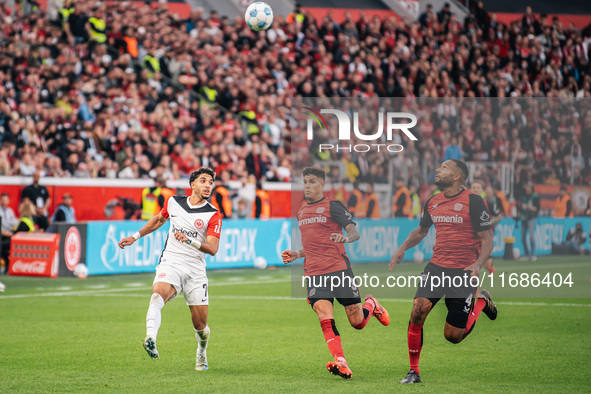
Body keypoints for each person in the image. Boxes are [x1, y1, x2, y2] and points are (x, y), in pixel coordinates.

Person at [390, 160, 497, 384]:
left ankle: (481, 302)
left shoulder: (474, 201)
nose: (438, 170)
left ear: (457, 176)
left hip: (464, 270)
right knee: (418, 310)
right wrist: (402, 247)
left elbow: (487, 240)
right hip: (437, 266)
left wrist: (478, 264)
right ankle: (413, 371)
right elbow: (421, 231)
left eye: (444, 167)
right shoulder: (433, 201)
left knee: (453, 336)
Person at [281, 167, 390, 380]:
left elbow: (354, 232)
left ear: (322, 185)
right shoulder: (301, 212)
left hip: (339, 270)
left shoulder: (333, 206)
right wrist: (297, 254)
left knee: (357, 322)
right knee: (324, 314)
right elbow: (314, 245)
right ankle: (341, 361)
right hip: (313, 273)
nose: (307, 186)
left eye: (312, 181)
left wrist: (346, 238)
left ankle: (371, 304)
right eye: (305, 182)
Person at [118, 168, 222, 371]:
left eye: (211, 182)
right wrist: (135, 237)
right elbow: (159, 220)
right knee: (157, 295)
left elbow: (213, 249)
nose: (208, 185)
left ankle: (201, 350)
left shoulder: (213, 214)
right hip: (171, 262)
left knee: (200, 326)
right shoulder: (173, 202)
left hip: (195, 270)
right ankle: (150, 337)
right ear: (193, 184)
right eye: (203, 181)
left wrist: (190, 240)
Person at [470, 180, 503, 274]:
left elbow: (499, 216)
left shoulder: (487, 203)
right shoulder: (466, 203)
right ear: (470, 189)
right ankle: (474, 287)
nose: (476, 190)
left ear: (482, 190)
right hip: (470, 238)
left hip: (485, 238)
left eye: (478, 188)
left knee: (487, 265)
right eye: (474, 187)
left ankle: (490, 267)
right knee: (472, 265)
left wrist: (490, 222)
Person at [518, 183, 540, 261]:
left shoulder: (535, 197)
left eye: (528, 187)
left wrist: (527, 207)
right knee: (523, 237)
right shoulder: (523, 196)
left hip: (531, 217)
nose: (527, 189)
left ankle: (533, 254)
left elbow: (536, 208)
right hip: (524, 218)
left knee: (531, 236)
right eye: (526, 187)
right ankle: (526, 254)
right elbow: (519, 206)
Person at [0, 193, 18, 270]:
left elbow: (14, 223)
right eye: (3, 200)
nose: (4, 202)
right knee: (2, 246)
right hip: (3, 236)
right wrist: (11, 235)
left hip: (10, 234)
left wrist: (13, 233)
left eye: (6, 200)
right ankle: (6, 264)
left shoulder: (10, 211)